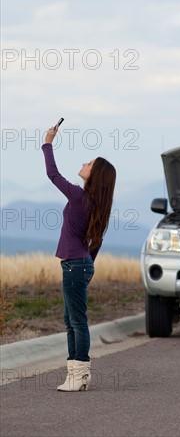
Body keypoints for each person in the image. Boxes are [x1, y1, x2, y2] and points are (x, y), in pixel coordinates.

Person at [42, 122, 116, 391]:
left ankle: (79, 374)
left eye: (89, 163)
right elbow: (97, 242)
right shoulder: (94, 203)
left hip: (76, 266)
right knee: (72, 320)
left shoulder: (78, 196)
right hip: (79, 264)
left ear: (93, 175)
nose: (84, 164)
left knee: (76, 320)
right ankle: (75, 374)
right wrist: (88, 264)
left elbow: (52, 174)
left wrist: (48, 143)